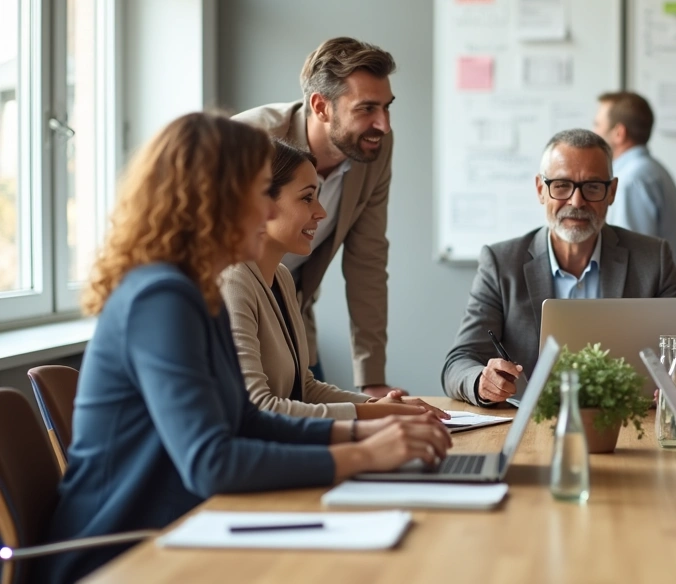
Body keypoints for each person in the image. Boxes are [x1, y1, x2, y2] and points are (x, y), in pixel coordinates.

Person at [34, 113, 450, 584]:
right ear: (215, 202)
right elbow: (211, 462)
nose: (269, 213)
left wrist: (365, 435)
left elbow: (248, 421)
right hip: (119, 556)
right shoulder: (160, 297)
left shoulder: (197, 291)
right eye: (259, 195)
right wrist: (366, 454)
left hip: (179, 532)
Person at [442, 129, 676, 406]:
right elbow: (460, 361)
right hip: (531, 427)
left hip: (624, 426)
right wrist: (482, 382)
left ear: (611, 192)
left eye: (592, 187)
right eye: (561, 185)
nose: (577, 202)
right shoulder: (501, 262)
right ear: (541, 190)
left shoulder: (652, 258)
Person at [220, 141, 448, 420]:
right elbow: (259, 407)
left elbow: (303, 388)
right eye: (306, 198)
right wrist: (375, 414)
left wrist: (376, 406)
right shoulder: (232, 282)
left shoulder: (282, 278)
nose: (322, 212)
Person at [233, 37, 399, 397]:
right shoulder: (248, 141)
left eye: (387, 107)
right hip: (227, 306)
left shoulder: (375, 147)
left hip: (290, 305)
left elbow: (367, 259)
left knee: (309, 396)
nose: (383, 125)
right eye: (367, 108)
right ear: (321, 106)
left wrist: (372, 382)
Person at [592, 91, 676, 253]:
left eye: (598, 125)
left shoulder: (632, 180)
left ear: (619, 133)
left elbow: (631, 259)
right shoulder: (651, 170)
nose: (594, 132)